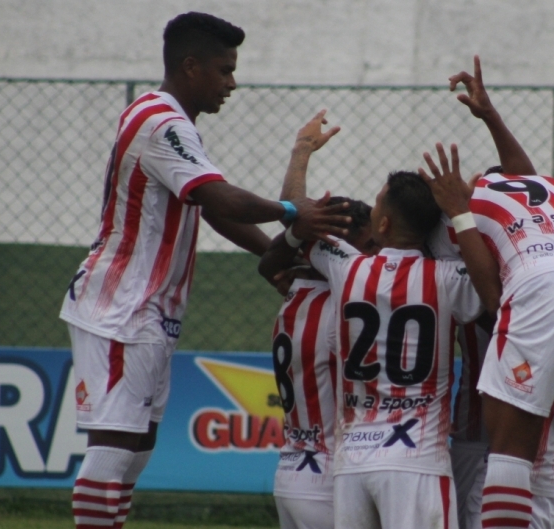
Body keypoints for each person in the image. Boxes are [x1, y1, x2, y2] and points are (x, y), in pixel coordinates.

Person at [59, 12, 349, 529]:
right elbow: (218, 197)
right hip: (123, 306)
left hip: (146, 313)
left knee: (138, 443)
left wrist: (272, 257)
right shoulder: (162, 122)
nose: (232, 84)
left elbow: (211, 209)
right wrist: (291, 214)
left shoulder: (174, 125)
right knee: (114, 441)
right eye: (224, 70)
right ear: (191, 66)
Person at [422, 9, 554, 529]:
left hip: (544, 292)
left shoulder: (470, 203)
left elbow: (496, 300)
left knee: (512, 450)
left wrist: (455, 208)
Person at [260, 166, 502, 529]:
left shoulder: (346, 267)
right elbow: (493, 290)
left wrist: (302, 157)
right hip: (416, 460)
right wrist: (459, 213)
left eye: (376, 204)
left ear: (384, 225)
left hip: (353, 463)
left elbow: (297, 226)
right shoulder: (450, 278)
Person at [265, 110, 377, 529]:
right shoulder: (347, 302)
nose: (373, 254)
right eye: (368, 244)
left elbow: (297, 223)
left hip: (291, 473)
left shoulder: (293, 290)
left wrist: (301, 153)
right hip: (330, 481)